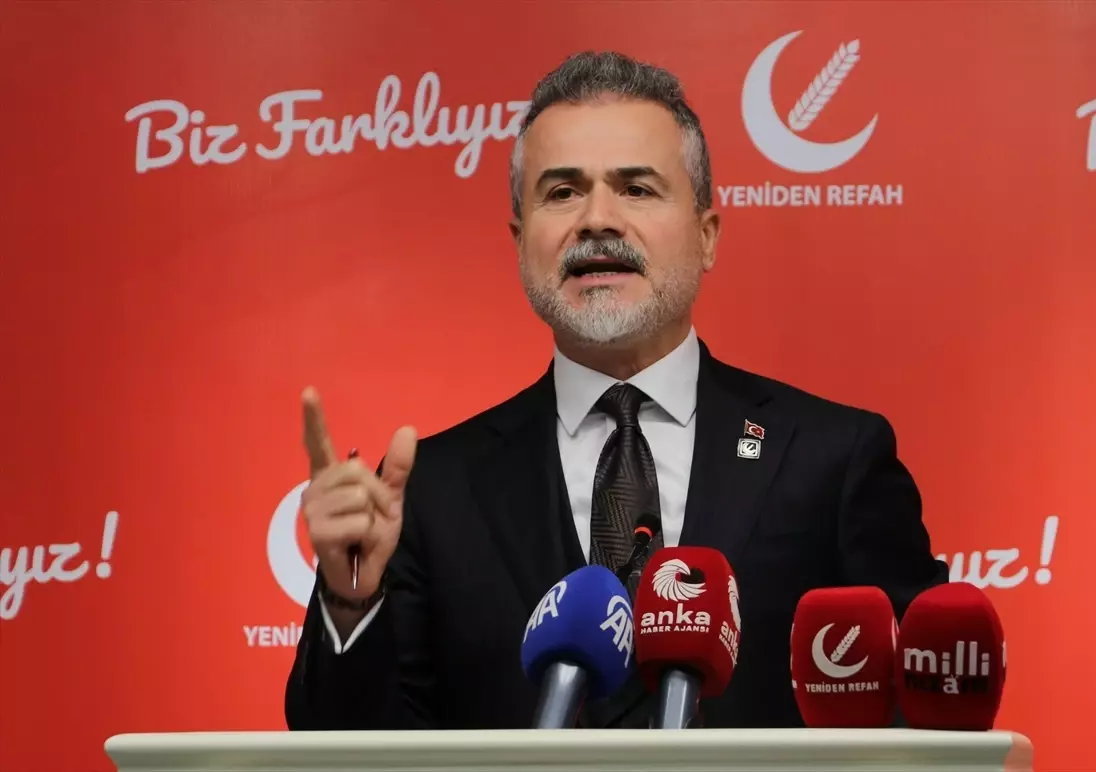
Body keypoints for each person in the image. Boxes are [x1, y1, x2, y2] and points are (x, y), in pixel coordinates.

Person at [284, 50, 948, 731]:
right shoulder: (431, 491)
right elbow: (351, 748)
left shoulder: (833, 459)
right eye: (562, 193)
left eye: (637, 189)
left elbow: (923, 731)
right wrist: (350, 601)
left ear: (707, 236)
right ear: (520, 241)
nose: (597, 219)